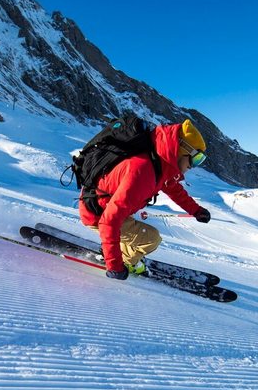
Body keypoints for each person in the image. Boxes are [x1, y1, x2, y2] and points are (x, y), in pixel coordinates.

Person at [78, 119, 211, 280]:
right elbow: (109, 221)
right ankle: (126, 262)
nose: (193, 166)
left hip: (104, 205)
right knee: (151, 239)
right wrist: (115, 266)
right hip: (97, 213)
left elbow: (172, 187)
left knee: (134, 229)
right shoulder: (143, 171)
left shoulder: (159, 161)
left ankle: (118, 249)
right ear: (181, 149)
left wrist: (196, 210)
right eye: (196, 159)